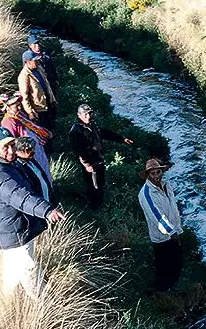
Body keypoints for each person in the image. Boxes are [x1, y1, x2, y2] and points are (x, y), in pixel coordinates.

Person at [0, 127, 66, 299]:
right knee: (29, 268)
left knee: (12, 269)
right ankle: (42, 303)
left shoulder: (1, 163)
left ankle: (7, 301)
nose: (11, 151)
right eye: (5, 147)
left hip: (11, 227)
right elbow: (18, 196)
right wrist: (47, 210)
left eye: (12, 145)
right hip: (14, 231)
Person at [69, 103, 134, 209]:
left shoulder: (93, 125)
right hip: (90, 163)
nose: (88, 116)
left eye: (90, 114)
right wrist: (86, 164)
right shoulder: (76, 131)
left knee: (100, 183)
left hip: (98, 159)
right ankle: (94, 208)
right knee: (93, 186)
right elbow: (78, 150)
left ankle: (99, 203)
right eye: (85, 114)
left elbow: (106, 133)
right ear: (79, 115)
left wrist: (122, 139)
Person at [137, 158, 184, 293]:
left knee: (176, 263)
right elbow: (156, 216)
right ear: (148, 175)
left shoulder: (166, 185)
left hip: (174, 231)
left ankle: (172, 289)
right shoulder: (146, 193)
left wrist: (177, 229)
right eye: (153, 173)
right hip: (162, 237)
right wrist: (172, 232)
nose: (156, 176)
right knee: (164, 268)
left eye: (158, 172)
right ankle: (159, 293)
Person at [0, 92, 52, 182]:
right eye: (16, 106)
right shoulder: (8, 122)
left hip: (35, 149)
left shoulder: (19, 116)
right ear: (8, 107)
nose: (19, 108)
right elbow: (13, 141)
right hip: (26, 153)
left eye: (19, 105)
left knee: (44, 169)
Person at [17, 49, 58, 130]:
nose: (37, 61)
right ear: (28, 62)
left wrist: (52, 99)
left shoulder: (39, 69)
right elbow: (24, 97)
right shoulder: (24, 76)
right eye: (35, 60)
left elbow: (47, 85)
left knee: (51, 126)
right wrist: (30, 112)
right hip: (39, 109)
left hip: (47, 103)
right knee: (43, 130)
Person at [15, 136, 54, 205]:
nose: (33, 152)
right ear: (20, 150)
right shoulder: (17, 166)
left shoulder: (32, 161)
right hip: (36, 204)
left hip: (47, 200)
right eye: (29, 149)